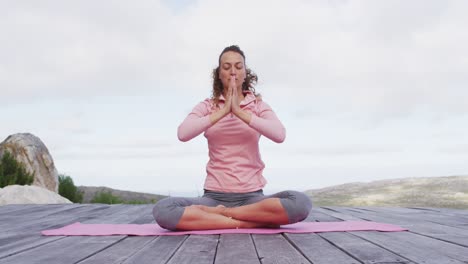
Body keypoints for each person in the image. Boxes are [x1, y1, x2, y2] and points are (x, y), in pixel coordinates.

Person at [153, 45, 312, 231]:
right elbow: (183, 133)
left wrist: (239, 112)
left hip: (253, 198)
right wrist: (222, 112)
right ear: (219, 74)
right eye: (226, 67)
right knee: (163, 210)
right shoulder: (207, 106)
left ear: (245, 73)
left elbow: (279, 135)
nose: (233, 72)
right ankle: (248, 222)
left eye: (238, 66)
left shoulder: (258, 106)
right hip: (213, 198)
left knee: (301, 203)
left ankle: (219, 217)